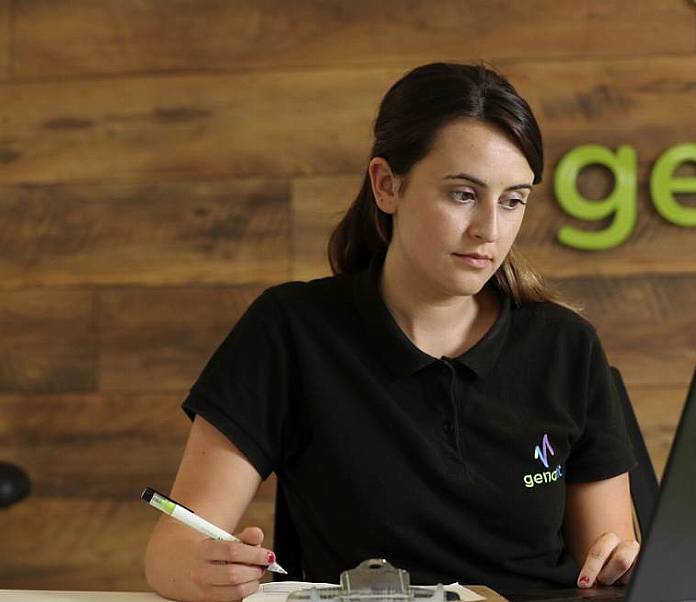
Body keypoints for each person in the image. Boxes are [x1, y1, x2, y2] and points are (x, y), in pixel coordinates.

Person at [144, 62, 640, 602]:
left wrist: (626, 565)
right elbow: (171, 552)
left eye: (513, 200)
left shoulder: (566, 347)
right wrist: (203, 567)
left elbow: (608, 564)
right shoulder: (291, 330)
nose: (490, 230)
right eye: (462, 194)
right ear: (386, 185)